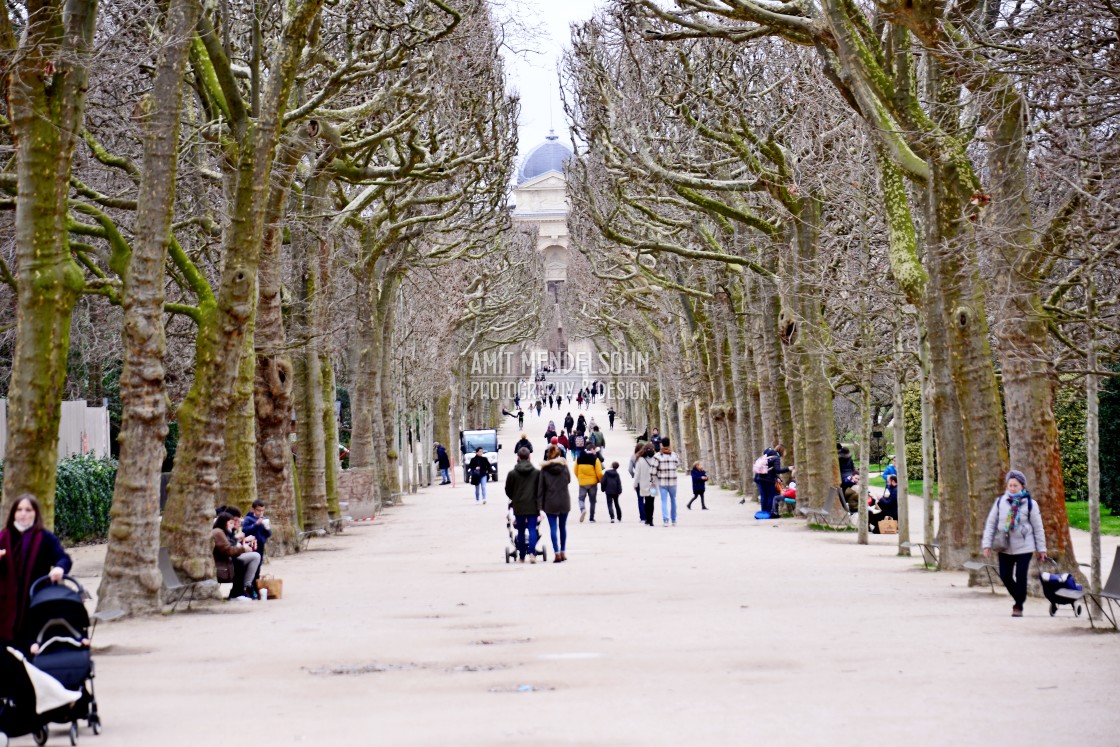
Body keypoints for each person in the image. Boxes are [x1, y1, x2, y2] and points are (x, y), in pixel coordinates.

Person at [0, 495, 73, 651]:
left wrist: (60, 568)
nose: (23, 514)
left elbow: (63, 558)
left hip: (34, 600)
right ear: (13, 513)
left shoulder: (45, 537)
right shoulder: (3, 536)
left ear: (35, 513)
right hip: (6, 604)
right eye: (19, 510)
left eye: (28, 510)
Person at [982, 470, 1047, 617]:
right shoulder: (1000, 502)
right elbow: (991, 524)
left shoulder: (1030, 504)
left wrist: (1041, 549)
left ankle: (1018, 606)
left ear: (1022, 486)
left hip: (1025, 546)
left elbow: (1038, 528)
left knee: (1021, 575)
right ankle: (1020, 597)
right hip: (1004, 546)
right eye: (1010, 485)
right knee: (1005, 575)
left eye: (1015, 486)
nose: (1012, 488)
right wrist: (987, 545)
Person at [212, 512, 261, 601]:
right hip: (223, 562)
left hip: (227, 559)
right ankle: (238, 592)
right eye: (230, 523)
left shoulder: (223, 531)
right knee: (240, 563)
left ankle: (243, 589)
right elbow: (227, 549)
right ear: (224, 522)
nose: (232, 525)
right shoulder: (218, 532)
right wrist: (243, 549)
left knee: (244, 560)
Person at [505, 447, 541, 563]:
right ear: (529, 457)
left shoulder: (512, 474)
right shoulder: (536, 473)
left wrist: (514, 498)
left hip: (518, 505)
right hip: (533, 505)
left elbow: (508, 490)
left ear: (518, 458)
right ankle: (532, 553)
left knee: (520, 530)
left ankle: (521, 555)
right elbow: (540, 489)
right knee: (532, 529)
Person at [538, 445, 571, 562]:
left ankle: (556, 553)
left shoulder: (544, 470)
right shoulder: (564, 466)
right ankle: (563, 552)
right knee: (563, 527)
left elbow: (540, 488)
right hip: (564, 500)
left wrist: (539, 507)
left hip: (550, 502)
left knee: (553, 528)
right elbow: (569, 480)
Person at [241, 500, 272, 588]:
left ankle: (255, 587)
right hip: (251, 546)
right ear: (253, 509)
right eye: (259, 510)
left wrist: (267, 528)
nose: (261, 512)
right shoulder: (248, 519)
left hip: (261, 546)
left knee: (258, 567)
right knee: (252, 567)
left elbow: (269, 534)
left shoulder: (264, 519)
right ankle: (249, 586)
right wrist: (256, 524)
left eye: (263, 510)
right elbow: (245, 530)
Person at [754, 445, 791, 519]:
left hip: (760, 478)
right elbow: (777, 470)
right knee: (771, 496)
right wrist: (788, 468)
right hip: (769, 480)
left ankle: (763, 513)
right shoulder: (776, 458)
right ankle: (770, 513)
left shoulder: (766, 456)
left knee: (764, 496)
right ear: (782, 451)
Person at [654, 437, 681, 526]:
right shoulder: (674, 455)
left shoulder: (657, 456)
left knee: (664, 501)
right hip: (673, 481)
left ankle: (666, 520)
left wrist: (653, 478)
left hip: (662, 482)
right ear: (669, 444)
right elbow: (677, 465)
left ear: (661, 444)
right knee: (673, 500)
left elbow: (653, 469)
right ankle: (674, 520)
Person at [575, 447, 604, 522]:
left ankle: (583, 509)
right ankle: (591, 518)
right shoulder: (595, 459)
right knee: (593, 500)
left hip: (582, 483)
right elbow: (599, 472)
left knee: (581, 499)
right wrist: (601, 480)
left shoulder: (579, 459)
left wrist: (579, 478)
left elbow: (575, 470)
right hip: (593, 483)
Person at [633, 443, 658, 526]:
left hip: (643, 484)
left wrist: (635, 484)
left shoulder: (640, 460)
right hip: (653, 484)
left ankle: (647, 519)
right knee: (652, 501)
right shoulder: (656, 459)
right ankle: (651, 520)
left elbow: (637, 474)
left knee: (647, 501)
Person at [628, 441, 648, 523]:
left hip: (638, 480)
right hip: (647, 480)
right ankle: (648, 515)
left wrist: (633, 475)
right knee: (648, 498)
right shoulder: (647, 457)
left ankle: (642, 517)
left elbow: (629, 469)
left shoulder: (633, 457)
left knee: (640, 499)